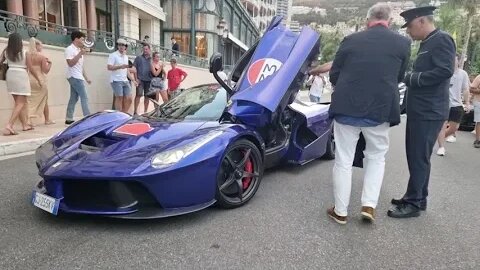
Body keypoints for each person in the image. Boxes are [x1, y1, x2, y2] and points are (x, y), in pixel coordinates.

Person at [325, 3, 411, 224]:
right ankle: (369, 206)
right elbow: (399, 77)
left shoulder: (350, 40)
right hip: (380, 109)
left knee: (343, 160)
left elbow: (335, 74)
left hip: (347, 107)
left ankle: (341, 211)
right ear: (389, 21)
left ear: (367, 20)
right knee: (376, 158)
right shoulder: (403, 43)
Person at [388, 6, 456, 218]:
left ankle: (414, 203)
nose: (408, 31)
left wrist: (411, 78)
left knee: (418, 157)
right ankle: (417, 196)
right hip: (422, 110)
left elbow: (445, 70)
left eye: (409, 26)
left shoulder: (442, 39)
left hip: (429, 110)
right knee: (418, 156)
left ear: (421, 21)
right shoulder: (429, 42)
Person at [1, 33, 41, 135]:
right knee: (21, 103)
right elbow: (30, 67)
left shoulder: (6, 52)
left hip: (10, 75)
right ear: (20, 41)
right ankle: (9, 125)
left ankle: (25, 125)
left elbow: (0, 63)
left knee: (18, 103)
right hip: (21, 75)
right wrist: (38, 79)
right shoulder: (25, 52)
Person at [436, 53, 471, 156]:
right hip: (443, 103)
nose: (453, 61)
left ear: (458, 61)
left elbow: (465, 89)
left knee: (454, 128)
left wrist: (467, 103)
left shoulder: (463, 74)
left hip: (457, 104)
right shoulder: (443, 72)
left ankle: (438, 137)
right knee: (442, 126)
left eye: (455, 59)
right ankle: (441, 147)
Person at [65, 31, 92, 125]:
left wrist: (86, 78)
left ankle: (69, 118)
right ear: (76, 39)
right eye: (82, 39)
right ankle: (87, 117)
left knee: (74, 98)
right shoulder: (69, 49)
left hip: (78, 76)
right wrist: (80, 54)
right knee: (84, 96)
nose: (83, 41)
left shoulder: (78, 50)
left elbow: (80, 66)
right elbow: (70, 63)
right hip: (74, 76)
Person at [27, 37, 54, 125]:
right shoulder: (41, 57)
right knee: (45, 99)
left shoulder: (27, 55)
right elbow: (45, 70)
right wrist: (50, 63)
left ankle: (29, 120)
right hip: (40, 78)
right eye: (40, 46)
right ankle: (47, 119)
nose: (41, 47)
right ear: (37, 46)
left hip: (30, 78)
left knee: (30, 100)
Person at [107, 38, 132, 113]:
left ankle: (124, 113)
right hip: (116, 80)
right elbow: (109, 67)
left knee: (129, 98)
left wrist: (133, 80)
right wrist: (120, 66)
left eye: (123, 45)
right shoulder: (113, 55)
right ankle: (119, 115)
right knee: (119, 97)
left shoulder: (126, 56)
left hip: (125, 80)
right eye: (119, 45)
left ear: (125, 47)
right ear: (117, 46)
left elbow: (126, 70)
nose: (121, 46)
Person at [133, 43, 152, 115]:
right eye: (144, 49)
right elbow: (134, 69)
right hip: (140, 80)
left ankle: (145, 112)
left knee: (147, 96)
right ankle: (135, 112)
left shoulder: (152, 59)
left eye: (146, 49)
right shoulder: (138, 58)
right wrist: (136, 78)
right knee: (139, 94)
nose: (145, 50)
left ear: (149, 50)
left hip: (149, 81)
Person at [471, 74, 480, 148]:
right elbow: (472, 89)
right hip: (479, 101)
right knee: (479, 121)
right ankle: (478, 140)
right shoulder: (479, 77)